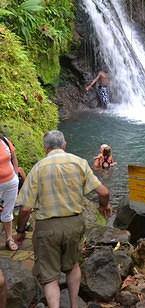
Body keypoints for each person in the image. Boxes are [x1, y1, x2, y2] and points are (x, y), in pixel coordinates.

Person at [16, 130, 111, 308]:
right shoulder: (79, 163)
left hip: (47, 227)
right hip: (74, 224)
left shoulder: (38, 168)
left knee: (50, 276)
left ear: (45, 148)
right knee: (72, 265)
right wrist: (103, 206)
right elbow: (104, 192)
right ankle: (74, 305)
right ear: (65, 145)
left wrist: (20, 231)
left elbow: (26, 209)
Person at [0, 133, 19, 251]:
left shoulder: (4, 141)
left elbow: (13, 157)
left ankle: (9, 239)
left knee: (7, 212)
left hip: (11, 183)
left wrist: (16, 176)